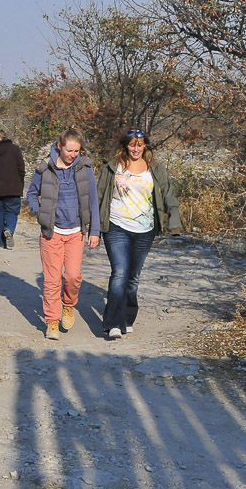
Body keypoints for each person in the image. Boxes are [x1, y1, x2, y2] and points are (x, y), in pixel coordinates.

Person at [96, 129, 183, 340]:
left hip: (145, 229)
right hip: (116, 225)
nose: (136, 148)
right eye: (132, 144)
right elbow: (98, 196)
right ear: (125, 145)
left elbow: (169, 195)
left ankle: (127, 317)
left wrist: (174, 224)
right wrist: (91, 228)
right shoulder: (112, 167)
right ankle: (113, 324)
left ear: (145, 146)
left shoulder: (155, 169)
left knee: (133, 277)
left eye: (140, 144)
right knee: (119, 272)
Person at [26, 128, 100, 341]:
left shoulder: (85, 169)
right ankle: (52, 321)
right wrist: (40, 214)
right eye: (69, 150)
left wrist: (94, 230)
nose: (73, 154)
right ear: (59, 146)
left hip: (76, 232)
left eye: (77, 151)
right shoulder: (45, 168)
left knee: (73, 276)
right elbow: (31, 193)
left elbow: (94, 200)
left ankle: (68, 304)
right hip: (52, 233)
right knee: (51, 280)